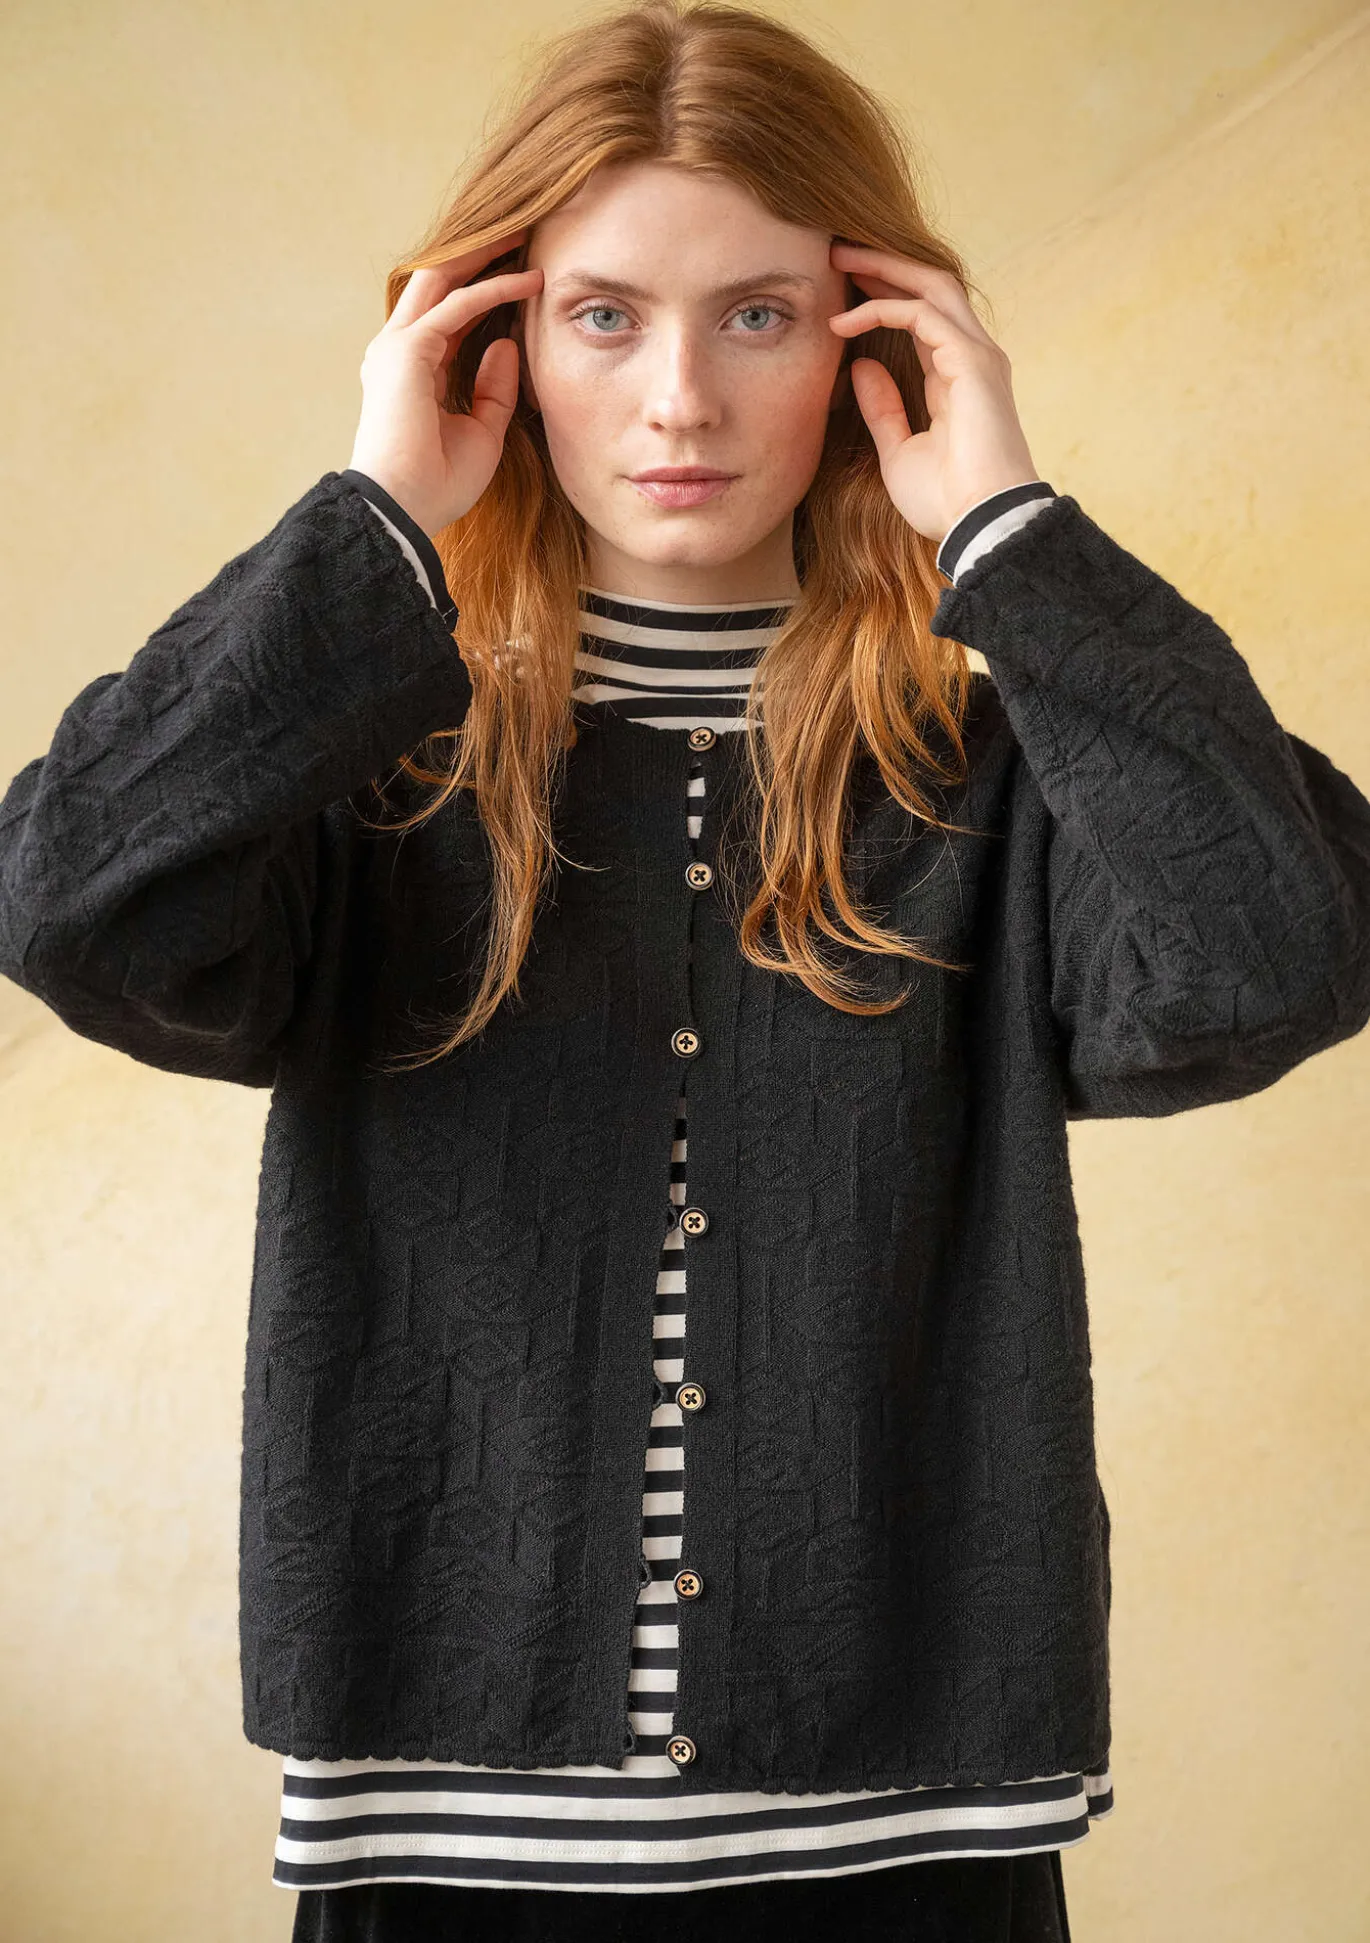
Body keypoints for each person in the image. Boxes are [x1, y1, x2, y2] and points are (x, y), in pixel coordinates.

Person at [3, 2, 1369, 1938]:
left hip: (908, 1845)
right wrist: (375, 517)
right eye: (600, 316)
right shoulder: (374, 769)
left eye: (757, 315)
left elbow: (1284, 950)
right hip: (444, 1844)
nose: (678, 401)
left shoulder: (988, 770)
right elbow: (62, 900)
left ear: (871, 348)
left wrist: (1012, 534)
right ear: (488, 344)